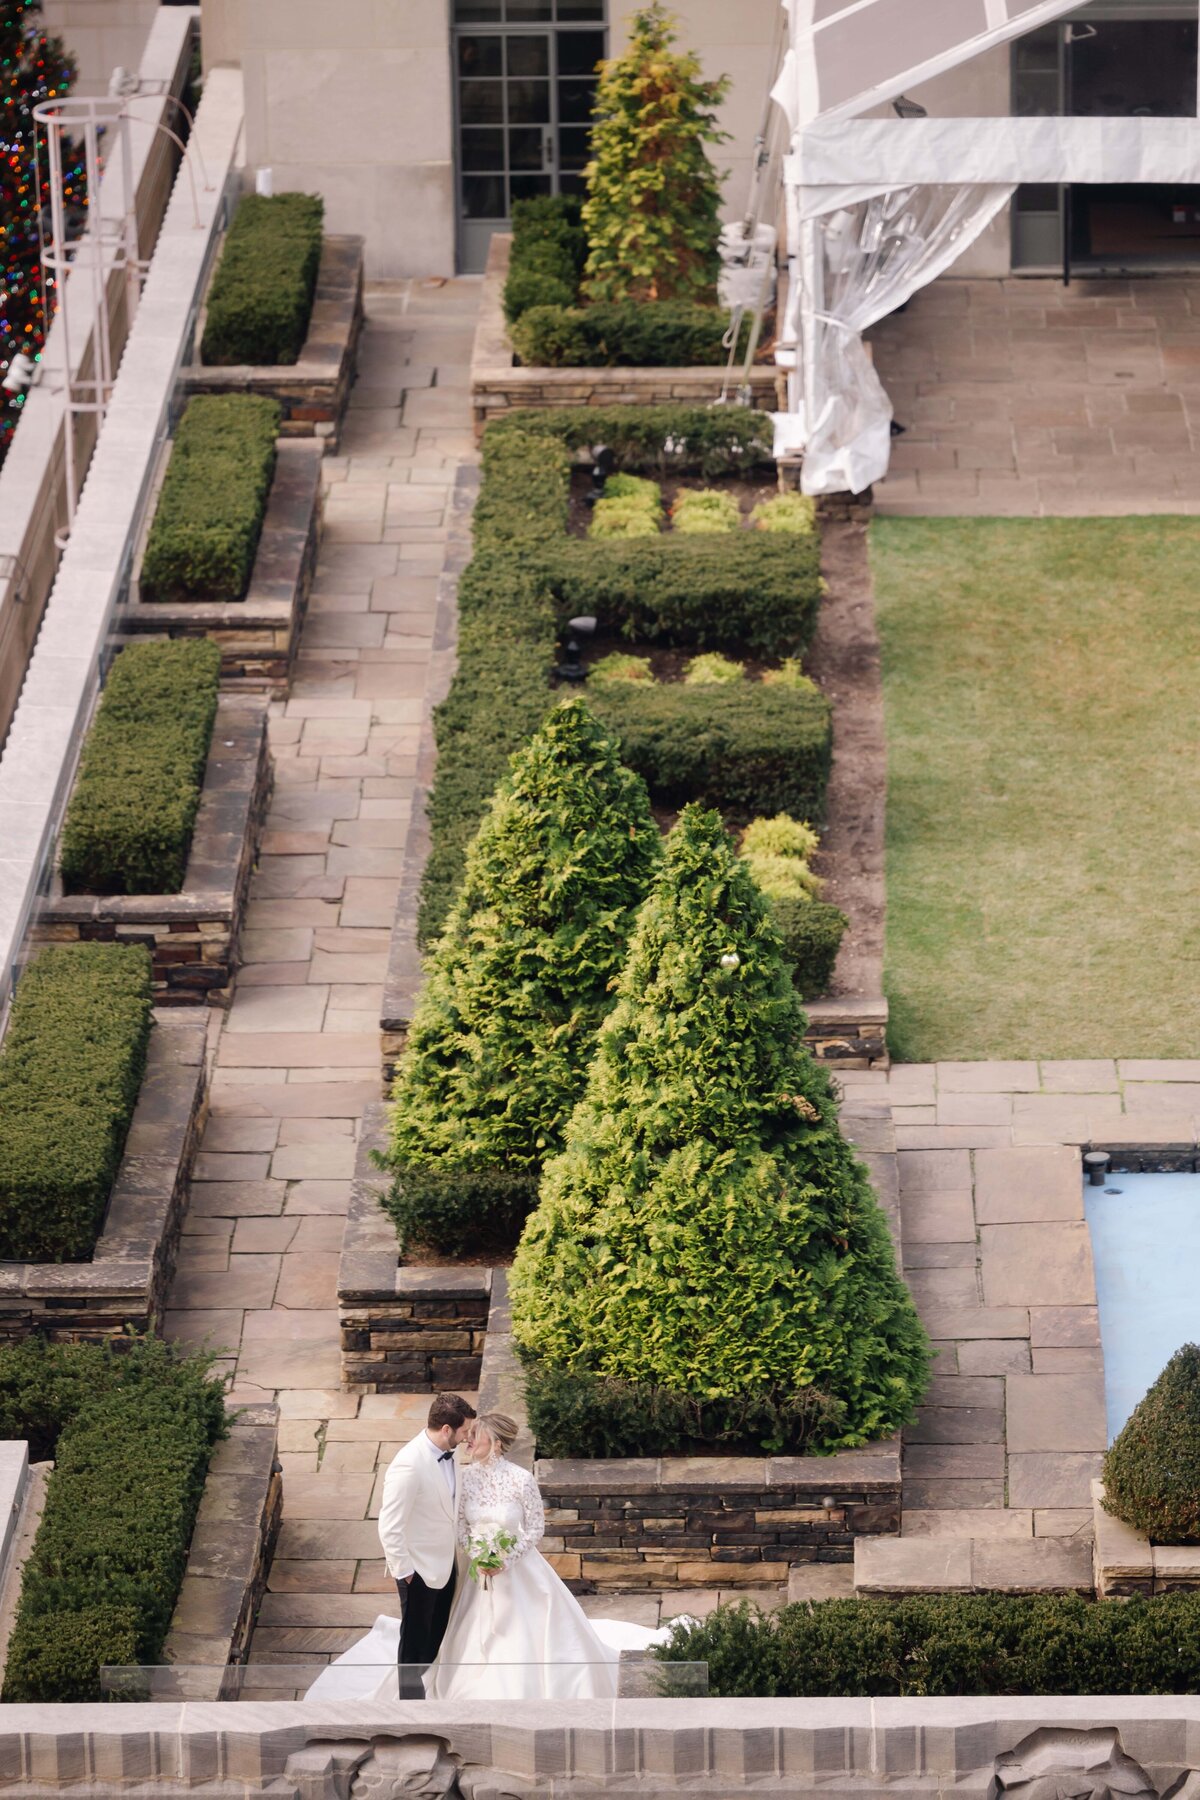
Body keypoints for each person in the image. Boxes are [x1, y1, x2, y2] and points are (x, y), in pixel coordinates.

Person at [376, 1391, 477, 1697]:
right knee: (415, 1640)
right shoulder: (408, 1465)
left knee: (435, 1634)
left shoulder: (450, 1451)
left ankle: (430, 1687)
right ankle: (409, 1700)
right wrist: (405, 1571)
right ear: (446, 1429)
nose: (467, 1437)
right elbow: (389, 1525)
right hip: (417, 1570)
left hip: (446, 1564)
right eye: (464, 1431)